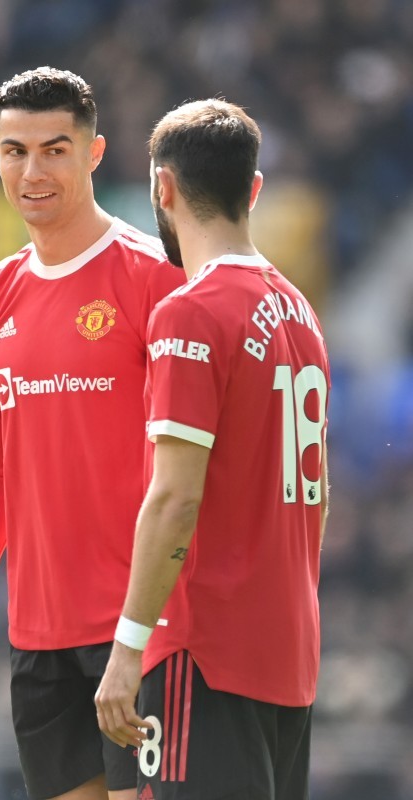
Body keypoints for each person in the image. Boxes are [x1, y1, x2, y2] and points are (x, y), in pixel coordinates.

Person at [0, 67, 183, 800]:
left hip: (141, 628)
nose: (33, 171)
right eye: (15, 151)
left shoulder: (154, 279)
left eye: (54, 150)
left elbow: (193, 464)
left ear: (94, 153)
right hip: (37, 635)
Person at [95, 98, 330, 800]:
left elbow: (174, 496)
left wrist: (128, 648)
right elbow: (316, 497)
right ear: (252, 190)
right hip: (287, 657)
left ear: (161, 188)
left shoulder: (190, 312)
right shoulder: (301, 313)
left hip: (204, 654)